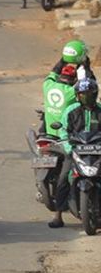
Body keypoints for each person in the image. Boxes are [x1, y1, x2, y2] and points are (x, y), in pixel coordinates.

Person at [49, 77, 101, 228]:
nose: (86, 98)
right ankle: (58, 215)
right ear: (78, 96)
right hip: (75, 151)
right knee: (64, 178)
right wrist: (68, 148)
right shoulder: (71, 111)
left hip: (97, 152)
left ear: (95, 94)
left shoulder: (100, 110)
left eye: (89, 94)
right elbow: (63, 130)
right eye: (82, 95)